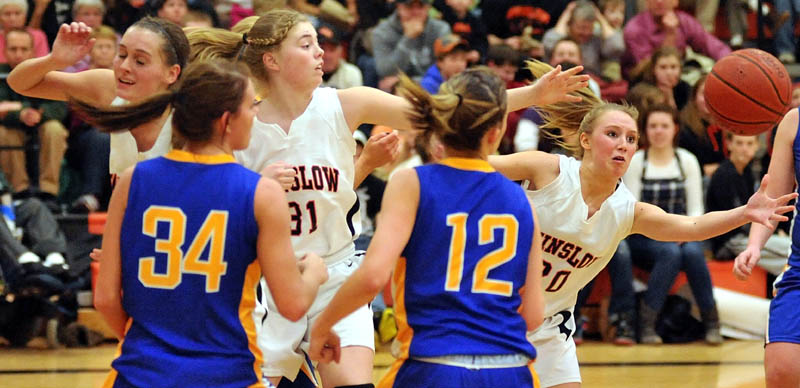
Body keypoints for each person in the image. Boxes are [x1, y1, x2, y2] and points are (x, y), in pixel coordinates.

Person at [187, 8, 589, 388]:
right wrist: (255, 185)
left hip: (336, 272)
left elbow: (441, 111)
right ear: (272, 61)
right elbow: (209, 208)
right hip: (269, 281)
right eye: (306, 44)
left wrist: (530, 95)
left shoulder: (345, 103)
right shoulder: (240, 121)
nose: (320, 51)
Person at [488, 60, 796, 388]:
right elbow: (467, 152)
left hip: (549, 326)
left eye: (631, 138)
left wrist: (744, 213)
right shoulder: (546, 170)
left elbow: (692, 226)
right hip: (490, 311)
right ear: (585, 141)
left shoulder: (626, 211)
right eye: (612, 134)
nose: (623, 143)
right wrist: (531, 95)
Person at [88, 59, 328, 388]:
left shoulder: (133, 180)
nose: (255, 114)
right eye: (250, 106)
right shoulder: (260, 193)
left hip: (138, 373)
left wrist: (151, 346)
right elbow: (293, 304)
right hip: (225, 375)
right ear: (226, 121)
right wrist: (314, 272)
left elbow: (105, 299)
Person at [309, 67, 545, 388]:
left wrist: (324, 323)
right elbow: (533, 315)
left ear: (438, 127)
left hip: (433, 365)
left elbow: (373, 275)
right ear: (496, 132)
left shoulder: (412, 182)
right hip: (511, 369)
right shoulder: (522, 201)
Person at [7, 18, 189, 176]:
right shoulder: (108, 87)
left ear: (171, 74)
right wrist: (54, 60)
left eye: (140, 61)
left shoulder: (192, 114)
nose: (124, 66)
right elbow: (19, 82)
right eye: (122, 54)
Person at [622, 104, 721, 345]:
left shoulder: (687, 160)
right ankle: (647, 323)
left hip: (683, 233)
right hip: (643, 236)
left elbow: (697, 209)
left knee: (692, 252)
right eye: (653, 126)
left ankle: (712, 321)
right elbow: (633, 209)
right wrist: (666, 231)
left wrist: (684, 230)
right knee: (670, 251)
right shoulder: (636, 161)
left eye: (664, 126)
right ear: (645, 130)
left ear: (674, 129)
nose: (658, 131)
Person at [734, 107, 800, 388]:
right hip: (798, 272)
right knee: (782, 371)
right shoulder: (794, 122)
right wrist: (754, 245)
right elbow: (772, 199)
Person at [0, 28, 68, 212]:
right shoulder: (0, 73)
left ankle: (49, 193)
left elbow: (60, 107)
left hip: (41, 126)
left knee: (54, 129)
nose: (19, 54)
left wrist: (39, 114)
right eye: (13, 49)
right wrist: (21, 114)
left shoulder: (45, 72)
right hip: (10, 129)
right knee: (3, 134)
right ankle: (20, 192)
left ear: (32, 51)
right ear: (5, 51)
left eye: (24, 49)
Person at [708, 133, 790, 275]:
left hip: (746, 234)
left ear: (757, 146)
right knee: (792, 251)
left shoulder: (748, 171)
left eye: (749, 144)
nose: (744, 149)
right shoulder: (723, 174)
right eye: (739, 143)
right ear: (729, 144)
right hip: (730, 240)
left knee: (791, 253)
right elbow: (736, 219)